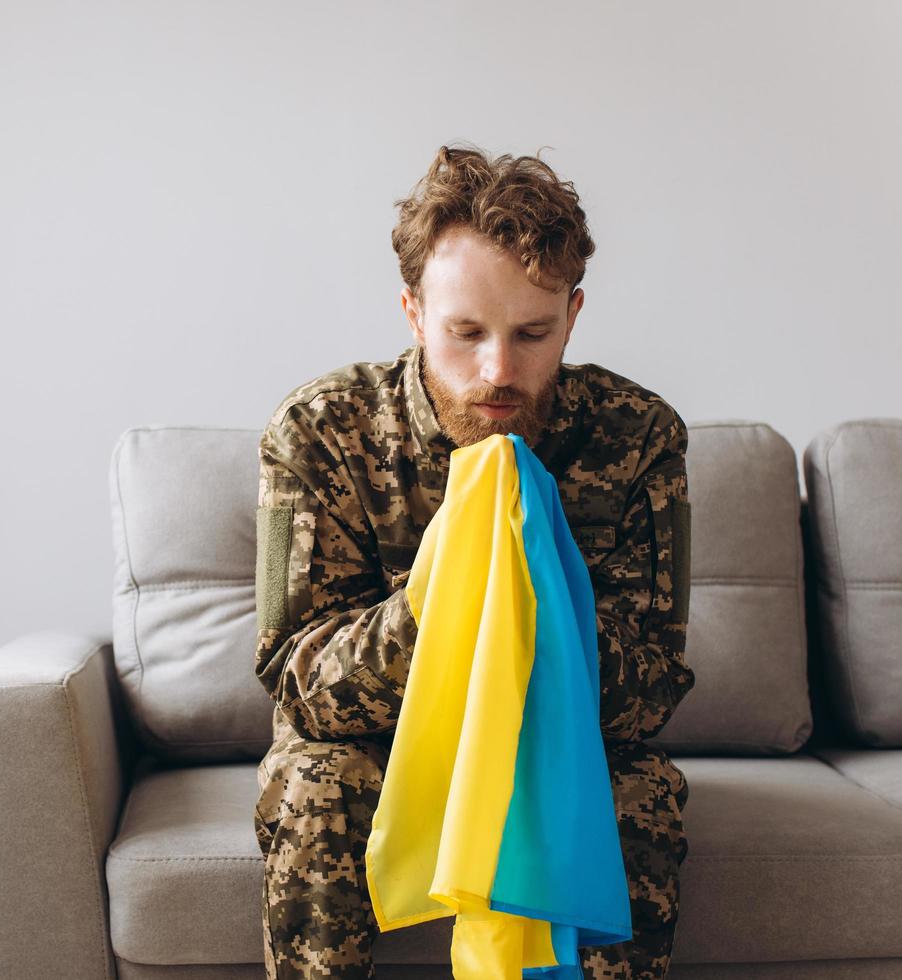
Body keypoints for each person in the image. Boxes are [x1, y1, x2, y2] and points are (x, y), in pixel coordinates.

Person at [252, 143, 695, 980]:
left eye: (533, 333)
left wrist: (535, 615)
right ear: (415, 313)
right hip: (376, 741)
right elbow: (294, 676)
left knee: (641, 800)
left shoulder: (638, 438)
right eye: (466, 333)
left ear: (574, 312)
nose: (499, 372)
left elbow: (655, 688)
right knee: (315, 790)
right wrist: (445, 604)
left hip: (561, 742)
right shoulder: (323, 431)